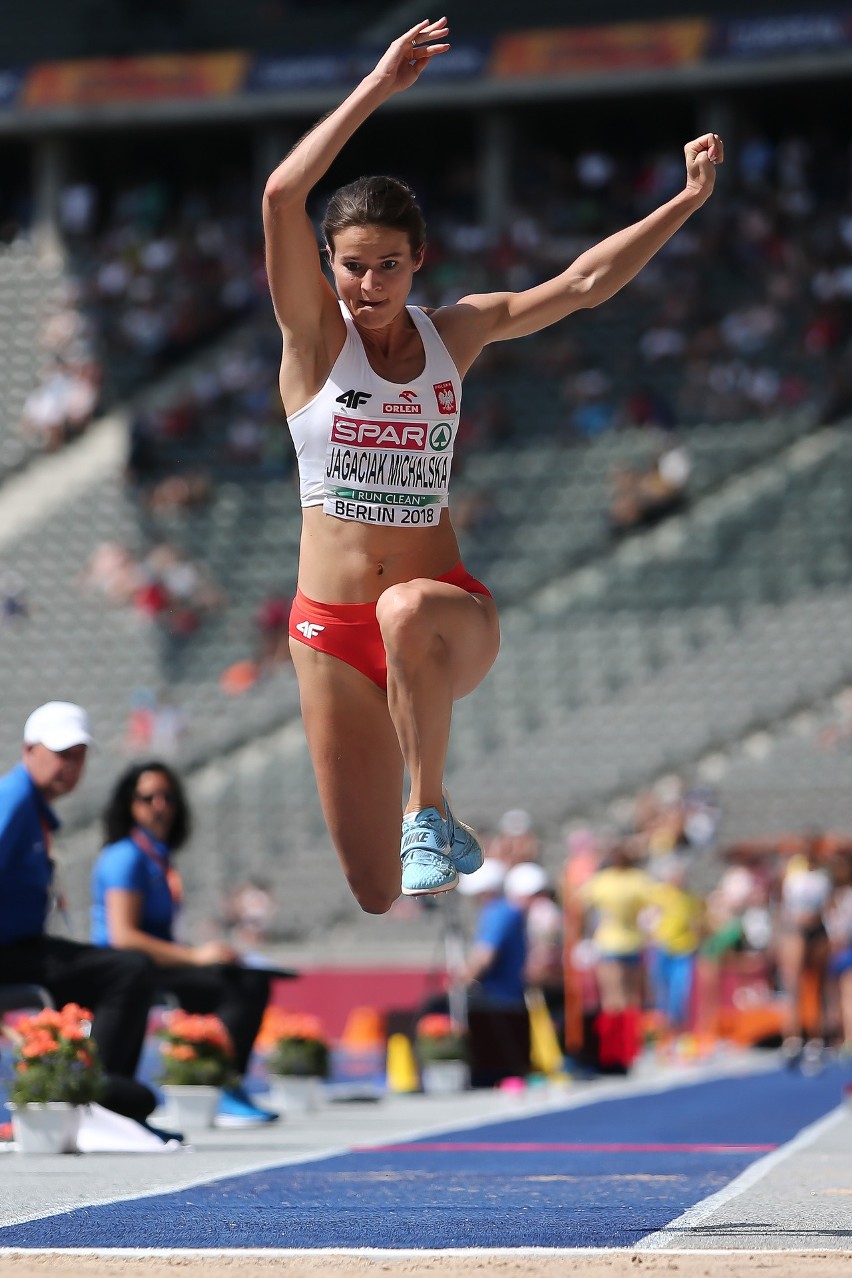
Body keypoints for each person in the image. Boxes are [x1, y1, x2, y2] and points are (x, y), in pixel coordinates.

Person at [262, 17, 723, 908]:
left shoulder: (455, 334)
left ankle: (427, 808)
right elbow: (283, 194)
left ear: (416, 262)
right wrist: (378, 87)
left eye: (387, 265)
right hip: (327, 630)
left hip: (444, 611)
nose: (368, 285)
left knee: (403, 608)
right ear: (329, 266)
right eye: (352, 267)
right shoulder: (315, 343)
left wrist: (685, 202)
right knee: (374, 892)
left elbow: (584, 285)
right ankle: (430, 826)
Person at [90, 761, 278, 1127]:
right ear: (129, 804)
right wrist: (195, 956)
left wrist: (202, 953)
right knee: (243, 985)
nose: (159, 805)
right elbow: (123, 936)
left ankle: (216, 1079)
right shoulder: (126, 856)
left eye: (168, 797)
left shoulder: (156, 856)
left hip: (156, 964)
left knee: (243, 974)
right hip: (127, 969)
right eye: (148, 798)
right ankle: (219, 1085)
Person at [0, 702, 158, 1124]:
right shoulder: (14, 800)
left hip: (22, 945)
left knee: (127, 970)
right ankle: (97, 1100)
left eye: (78, 756)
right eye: (60, 754)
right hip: (9, 951)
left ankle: (102, 1095)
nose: (69, 766)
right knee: (127, 971)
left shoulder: (32, 807)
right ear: (28, 749)